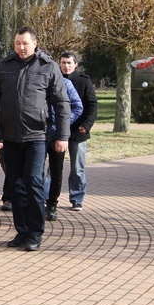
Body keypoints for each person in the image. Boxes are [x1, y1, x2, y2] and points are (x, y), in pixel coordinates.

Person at [0, 26, 70, 252]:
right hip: (10, 137)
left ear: (35, 43)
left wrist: (62, 135)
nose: (21, 47)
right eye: (17, 43)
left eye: (25, 43)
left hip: (37, 136)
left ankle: (35, 232)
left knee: (33, 182)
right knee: (16, 185)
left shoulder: (48, 67)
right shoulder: (3, 67)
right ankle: (21, 231)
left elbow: (62, 103)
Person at [49, 51, 98, 214]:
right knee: (53, 167)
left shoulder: (84, 81)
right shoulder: (53, 79)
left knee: (77, 167)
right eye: (63, 62)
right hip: (56, 132)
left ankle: (77, 198)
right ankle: (47, 197)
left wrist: (86, 124)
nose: (66, 66)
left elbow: (91, 105)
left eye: (69, 63)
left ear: (76, 64)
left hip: (77, 131)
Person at [44, 72, 84, 221]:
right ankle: (36, 202)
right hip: (37, 134)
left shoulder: (65, 84)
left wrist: (62, 123)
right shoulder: (35, 81)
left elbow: (77, 107)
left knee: (56, 172)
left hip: (57, 136)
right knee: (33, 171)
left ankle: (52, 204)